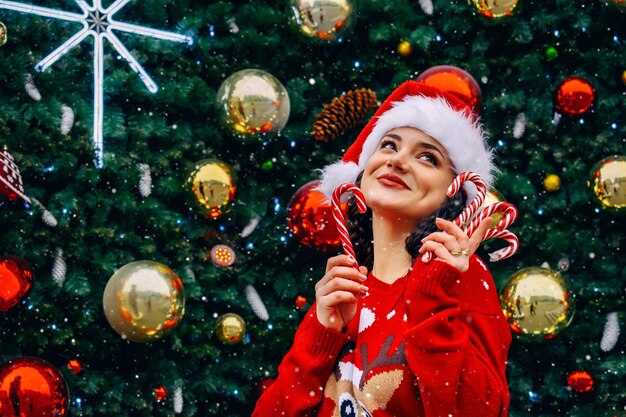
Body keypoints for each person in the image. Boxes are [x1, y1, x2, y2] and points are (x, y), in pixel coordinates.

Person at [252, 81, 512, 417]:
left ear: (454, 191)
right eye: (388, 145)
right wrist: (321, 332)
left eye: (428, 157)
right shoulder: (345, 287)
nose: (398, 161)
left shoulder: (460, 274)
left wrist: (430, 298)